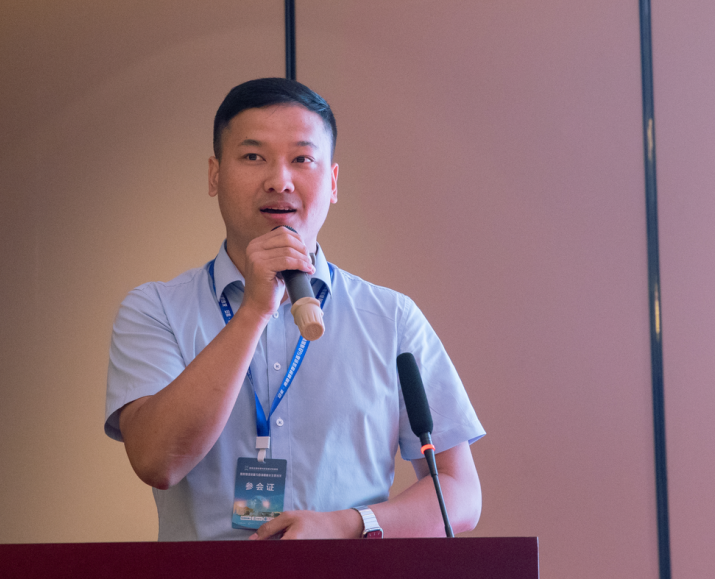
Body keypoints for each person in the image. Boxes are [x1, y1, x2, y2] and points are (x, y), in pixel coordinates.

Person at [105, 78, 485, 541]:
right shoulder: (156, 309)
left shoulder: (392, 319)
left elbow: (459, 494)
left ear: (333, 182)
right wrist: (253, 311)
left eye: (302, 159)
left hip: (349, 573)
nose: (279, 181)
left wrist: (348, 525)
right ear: (214, 175)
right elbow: (156, 462)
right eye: (253, 157)